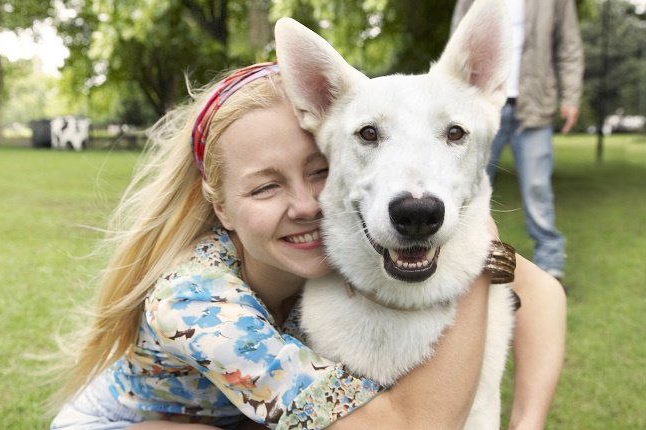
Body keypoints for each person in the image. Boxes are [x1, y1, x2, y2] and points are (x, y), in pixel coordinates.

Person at [49, 63, 566, 430]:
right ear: (222, 208)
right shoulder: (195, 303)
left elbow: (542, 295)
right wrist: (475, 262)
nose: (306, 205)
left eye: (321, 173)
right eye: (265, 187)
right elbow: (414, 425)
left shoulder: (359, 239)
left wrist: (527, 421)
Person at [451, 0, 584, 281]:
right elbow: (458, 42)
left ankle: (550, 264)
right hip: (479, 104)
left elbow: (569, 47)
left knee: (538, 189)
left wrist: (571, 97)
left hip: (534, 104)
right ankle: (460, 259)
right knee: (465, 188)